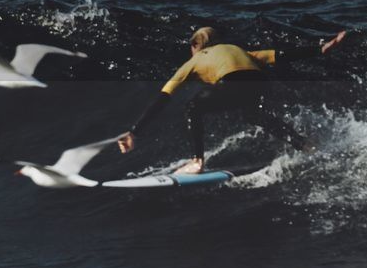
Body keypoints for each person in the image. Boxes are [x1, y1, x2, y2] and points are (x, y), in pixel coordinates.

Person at [116, 25, 348, 174]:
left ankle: (197, 161)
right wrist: (320, 49)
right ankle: (305, 145)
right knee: (255, 115)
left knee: (193, 107)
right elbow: (281, 55)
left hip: (230, 81)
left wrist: (135, 132)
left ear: (196, 46)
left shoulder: (194, 61)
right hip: (258, 81)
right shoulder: (239, 50)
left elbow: (163, 97)